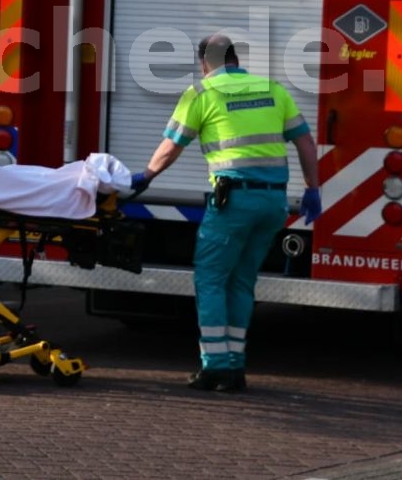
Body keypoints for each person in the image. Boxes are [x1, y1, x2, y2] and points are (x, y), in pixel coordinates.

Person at [129, 33, 320, 393]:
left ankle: (216, 366)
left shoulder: (201, 93)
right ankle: (235, 366)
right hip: (273, 204)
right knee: (242, 281)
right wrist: (312, 188)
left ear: (205, 63)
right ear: (235, 59)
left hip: (234, 202)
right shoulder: (272, 89)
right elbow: (304, 142)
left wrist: (147, 176)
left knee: (211, 279)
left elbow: (172, 146)